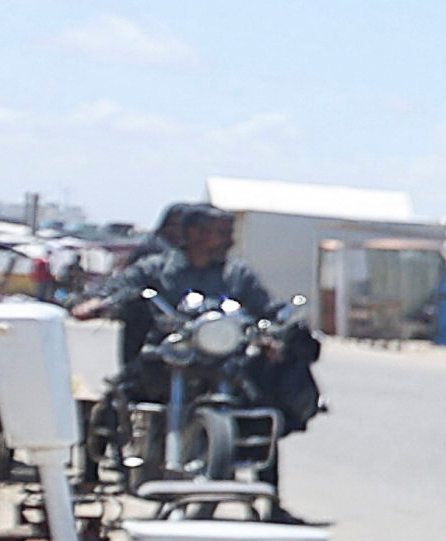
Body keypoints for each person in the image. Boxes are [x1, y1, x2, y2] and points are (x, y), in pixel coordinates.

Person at [111, 198, 322, 463]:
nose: (229, 241)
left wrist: (280, 326)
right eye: (222, 233)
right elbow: (119, 288)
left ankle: (268, 488)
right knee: (119, 396)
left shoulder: (237, 274)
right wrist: (97, 301)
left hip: (225, 357)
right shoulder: (156, 268)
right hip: (166, 356)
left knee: (263, 403)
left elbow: (267, 307)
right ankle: (103, 461)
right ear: (193, 233)